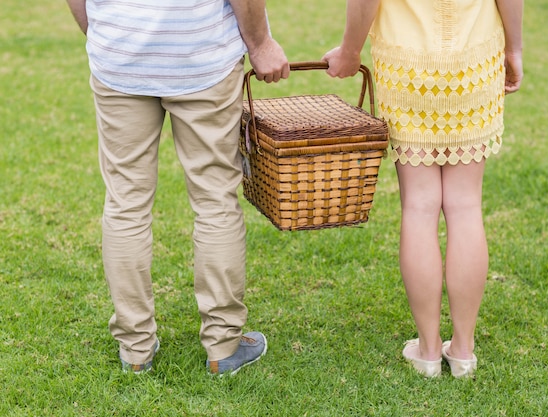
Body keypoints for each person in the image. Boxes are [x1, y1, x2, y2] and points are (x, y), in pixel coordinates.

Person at [66, 0, 289, 375]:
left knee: (125, 203)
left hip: (120, 56)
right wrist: (261, 42)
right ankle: (222, 345)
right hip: (202, 53)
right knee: (215, 199)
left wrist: (109, 31)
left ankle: (135, 350)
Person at [323, 0, 523, 378]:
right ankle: (463, 350)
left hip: (406, 64)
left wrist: (350, 52)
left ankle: (429, 351)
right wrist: (514, 48)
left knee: (419, 206)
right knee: (465, 207)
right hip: (474, 59)